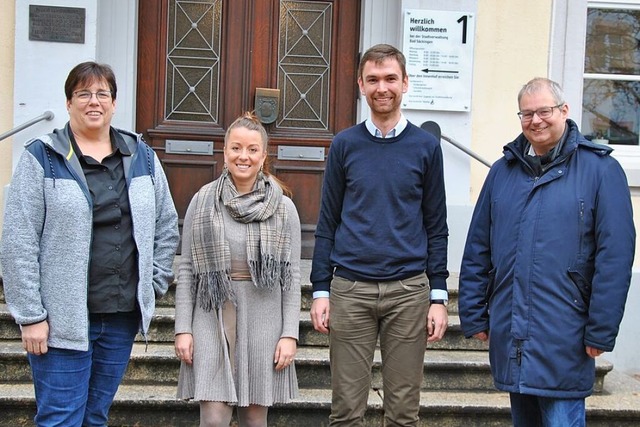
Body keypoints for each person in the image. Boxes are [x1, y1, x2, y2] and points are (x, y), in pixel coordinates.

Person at [0, 61, 180, 426]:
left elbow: (166, 223)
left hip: (119, 317)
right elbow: (18, 239)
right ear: (69, 103)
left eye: (102, 93)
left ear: (114, 103)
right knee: (60, 418)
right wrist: (31, 316)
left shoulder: (141, 155)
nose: (93, 101)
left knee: (95, 417)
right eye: (83, 93)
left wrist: (153, 282)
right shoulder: (43, 157)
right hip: (60, 321)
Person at [458, 77, 635, 427]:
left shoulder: (600, 170)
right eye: (527, 114)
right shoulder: (503, 172)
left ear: (564, 111)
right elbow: (478, 247)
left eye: (544, 111)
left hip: (565, 332)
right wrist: (474, 312)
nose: (535, 120)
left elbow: (614, 258)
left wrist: (601, 329)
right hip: (511, 331)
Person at [310, 44, 450, 426]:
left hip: (408, 292)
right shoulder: (344, 145)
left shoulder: (425, 147)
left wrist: (438, 294)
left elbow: (436, 226)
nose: (381, 87)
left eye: (390, 78)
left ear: (405, 83)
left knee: (404, 411)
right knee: (346, 410)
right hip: (350, 291)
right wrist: (320, 289)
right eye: (372, 79)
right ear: (360, 85)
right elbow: (328, 223)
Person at [174, 112, 301, 427]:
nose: (243, 156)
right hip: (211, 314)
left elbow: (292, 277)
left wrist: (290, 335)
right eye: (236, 148)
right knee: (213, 420)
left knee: (254, 421)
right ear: (225, 150)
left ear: (263, 155)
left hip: (264, 317)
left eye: (252, 149)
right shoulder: (203, 201)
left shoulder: (283, 208)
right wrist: (183, 328)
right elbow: (188, 269)